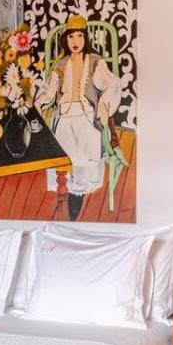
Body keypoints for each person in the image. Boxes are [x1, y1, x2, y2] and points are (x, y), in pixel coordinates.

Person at [36, 15, 122, 220]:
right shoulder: (60, 64)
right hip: (64, 113)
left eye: (79, 36)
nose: (75, 41)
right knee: (63, 142)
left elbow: (111, 85)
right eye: (71, 36)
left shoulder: (95, 62)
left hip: (86, 114)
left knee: (87, 139)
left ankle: (79, 191)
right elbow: (49, 90)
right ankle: (67, 187)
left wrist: (103, 104)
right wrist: (39, 102)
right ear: (65, 39)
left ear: (85, 38)